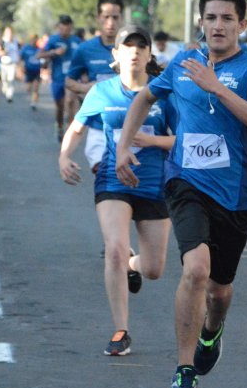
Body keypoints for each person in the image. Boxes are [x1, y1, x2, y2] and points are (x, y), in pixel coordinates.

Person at [116, 0, 247, 388]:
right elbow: (144, 99)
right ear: (201, 21)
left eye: (227, 18)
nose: (218, 25)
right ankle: (184, 372)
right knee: (195, 269)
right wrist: (122, 147)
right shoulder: (184, 62)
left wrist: (218, 88)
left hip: (236, 195)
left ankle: (212, 331)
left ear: (243, 23)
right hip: (185, 182)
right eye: (211, 18)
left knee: (220, 291)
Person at [60, 23, 172, 355]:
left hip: (155, 185)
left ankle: (132, 263)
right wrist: (64, 155)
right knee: (114, 250)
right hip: (113, 181)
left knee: (153, 269)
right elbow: (77, 128)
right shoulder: (102, 92)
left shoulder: (164, 93)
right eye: (128, 46)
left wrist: (151, 140)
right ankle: (121, 330)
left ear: (150, 54)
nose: (135, 51)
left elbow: (183, 140)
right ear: (116, 54)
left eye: (141, 46)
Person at [67, 0, 124, 171]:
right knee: (104, 175)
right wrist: (87, 88)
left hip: (130, 127)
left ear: (121, 18)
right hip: (98, 127)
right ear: (98, 18)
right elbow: (69, 81)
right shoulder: (85, 50)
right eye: (106, 17)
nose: (110, 22)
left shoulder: (133, 48)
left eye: (115, 17)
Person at [39, 14, 79, 139]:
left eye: (67, 29)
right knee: (60, 106)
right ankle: (60, 125)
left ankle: (69, 131)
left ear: (71, 27)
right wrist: (54, 52)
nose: (64, 32)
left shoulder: (76, 41)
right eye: (61, 29)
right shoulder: (53, 40)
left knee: (70, 101)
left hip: (71, 78)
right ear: (58, 27)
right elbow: (39, 55)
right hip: (57, 78)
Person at [20, 34, 44, 110]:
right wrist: (21, 67)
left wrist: (44, 64)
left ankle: (33, 103)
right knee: (28, 88)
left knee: (36, 87)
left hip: (37, 70)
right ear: (30, 40)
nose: (34, 41)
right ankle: (34, 94)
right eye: (33, 39)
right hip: (28, 70)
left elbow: (43, 58)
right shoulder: (26, 48)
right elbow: (20, 58)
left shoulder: (39, 49)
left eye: (36, 40)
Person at [0, 26, 19, 103]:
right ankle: (4, 88)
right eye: (8, 32)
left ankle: (9, 96)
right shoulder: (2, 41)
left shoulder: (15, 41)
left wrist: (19, 62)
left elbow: (18, 52)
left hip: (12, 64)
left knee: (11, 79)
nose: (9, 34)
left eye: (10, 32)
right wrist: (4, 52)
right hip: (4, 64)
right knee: (4, 80)